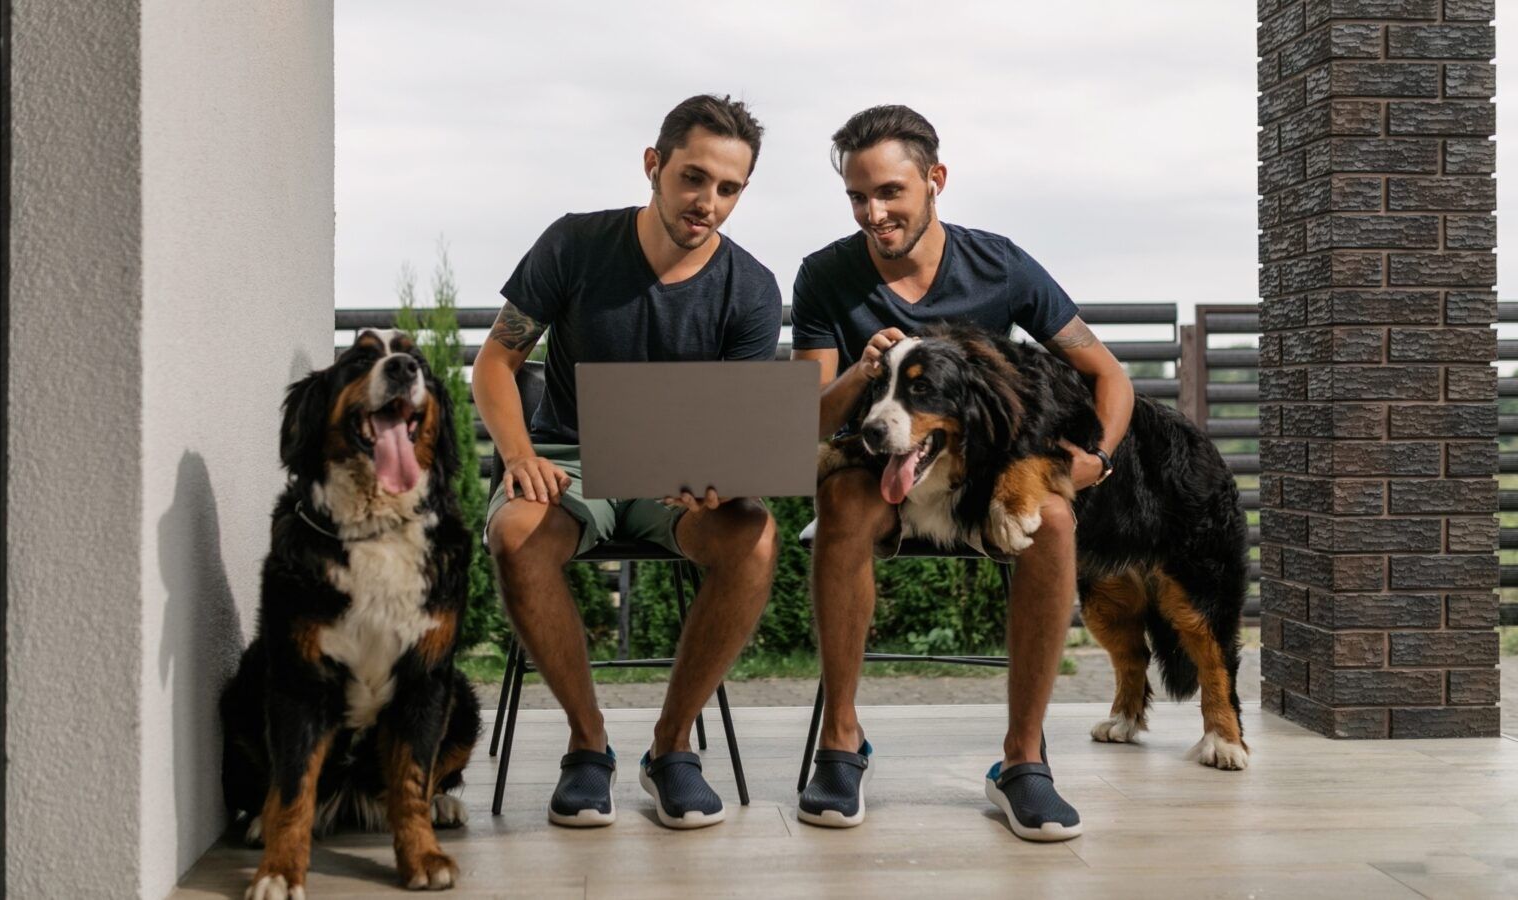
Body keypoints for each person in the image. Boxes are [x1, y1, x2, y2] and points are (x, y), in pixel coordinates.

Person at [791, 105, 1134, 840]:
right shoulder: (825, 276)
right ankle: (842, 741)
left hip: (980, 473)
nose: (872, 213)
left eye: (889, 193)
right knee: (844, 503)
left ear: (935, 180)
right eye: (857, 196)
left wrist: (1098, 455)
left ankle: (1023, 761)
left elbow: (1109, 374)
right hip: (873, 467)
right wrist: (860, 372)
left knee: (1055, 520)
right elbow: (805, 420)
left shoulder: (999, 264)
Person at [471, 94, 782, 831]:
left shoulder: (753, 288)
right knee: (513, 533)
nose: (707, 202)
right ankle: (589, 745)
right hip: (567, 461)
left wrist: (723, 478)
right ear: (654, 165)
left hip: (676, 480)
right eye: (693, 178)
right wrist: (518, 454)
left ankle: (671, 750)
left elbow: (740, 424)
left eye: (728, 188)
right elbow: (494, 362)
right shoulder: (575, 245)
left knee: (756, 536)